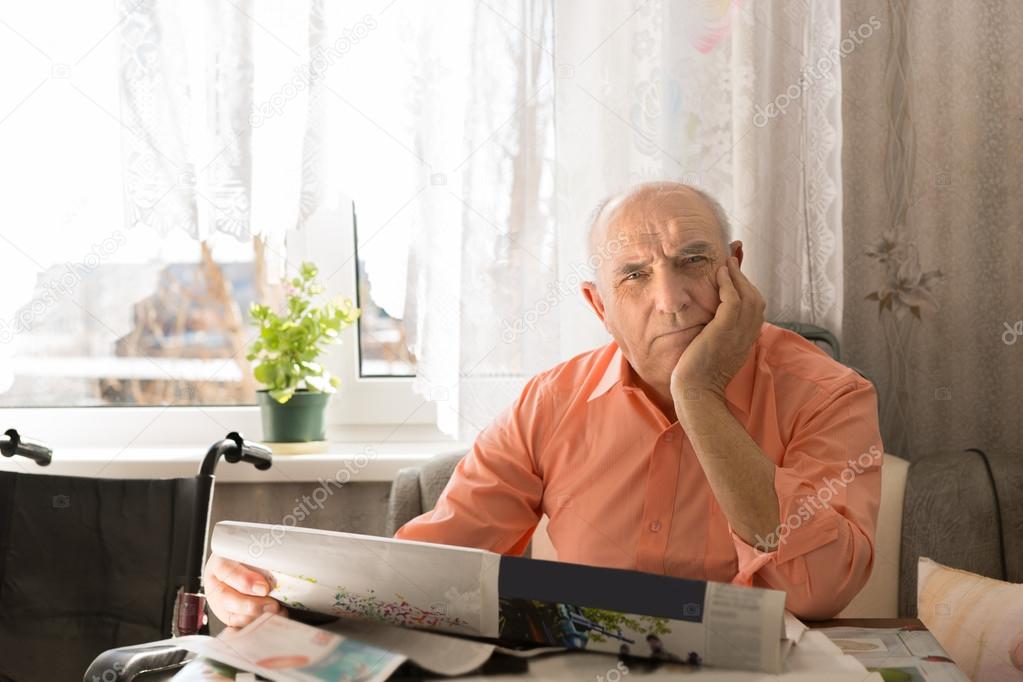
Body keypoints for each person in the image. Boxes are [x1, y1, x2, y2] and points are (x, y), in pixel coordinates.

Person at [203, 181, 883, 627]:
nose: (670, 298)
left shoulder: (830, 395)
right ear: (599, 305)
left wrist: (698, 397)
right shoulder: (550, 402)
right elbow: (431, 569)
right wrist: (277, 596)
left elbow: (817, 590)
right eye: (635, 275)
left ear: (735, 269)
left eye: (694, 262)